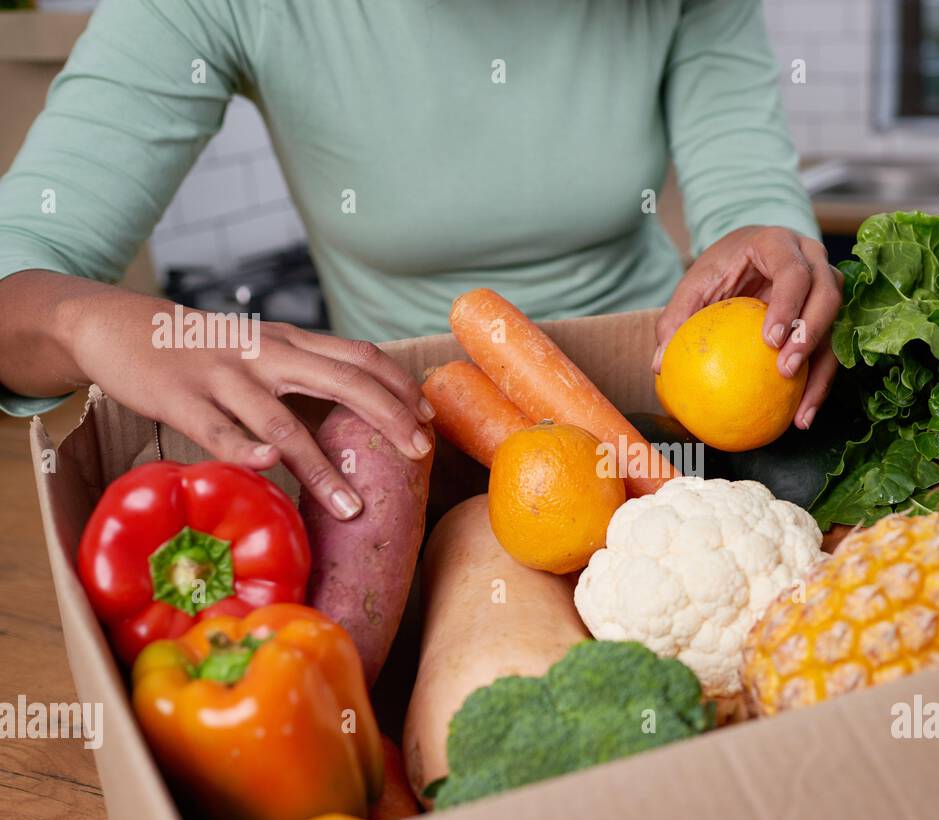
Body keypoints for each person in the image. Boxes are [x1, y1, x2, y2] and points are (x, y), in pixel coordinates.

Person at [0, 0, 839, 519]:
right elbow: (21, 260)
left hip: (668, 420)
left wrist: (774, 255)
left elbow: (749, 198)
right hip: (412, 453)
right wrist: (86, 322)